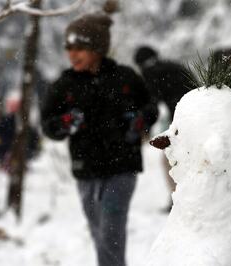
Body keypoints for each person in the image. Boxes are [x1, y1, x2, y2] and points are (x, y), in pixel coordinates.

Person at [41, 11, 157, 266]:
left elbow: (151, 107)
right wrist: (64, 123)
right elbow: (47, 124)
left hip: (122, 166)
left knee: (111, 227)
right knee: (98, 230)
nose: (72, 53)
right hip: (86, 169)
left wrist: (140, 120)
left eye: (79, 47)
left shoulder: (125, 77)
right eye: (68, 47)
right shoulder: (65, 84)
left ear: (98, 47)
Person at [134, 45, 193, 212]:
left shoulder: (150, 75)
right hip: (197, 116)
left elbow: (151, 106)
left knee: (171, 160)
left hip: (179, 122)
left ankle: (178, 199)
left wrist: (143, 129)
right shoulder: (174, 66)